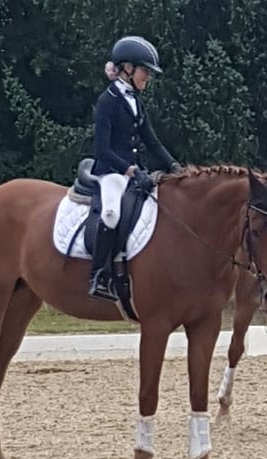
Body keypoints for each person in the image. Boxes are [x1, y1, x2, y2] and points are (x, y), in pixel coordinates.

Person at [88, 35, 180, 301]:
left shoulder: (135, 101)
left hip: (134, 172)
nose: (147, 78)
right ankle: (98, 275)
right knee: (111, 214)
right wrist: (130, 170)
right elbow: (103, 149)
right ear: (127, 69)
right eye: (145, 71)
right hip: (111, 172)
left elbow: (151, 140)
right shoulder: (107, 101)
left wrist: (174, 166)